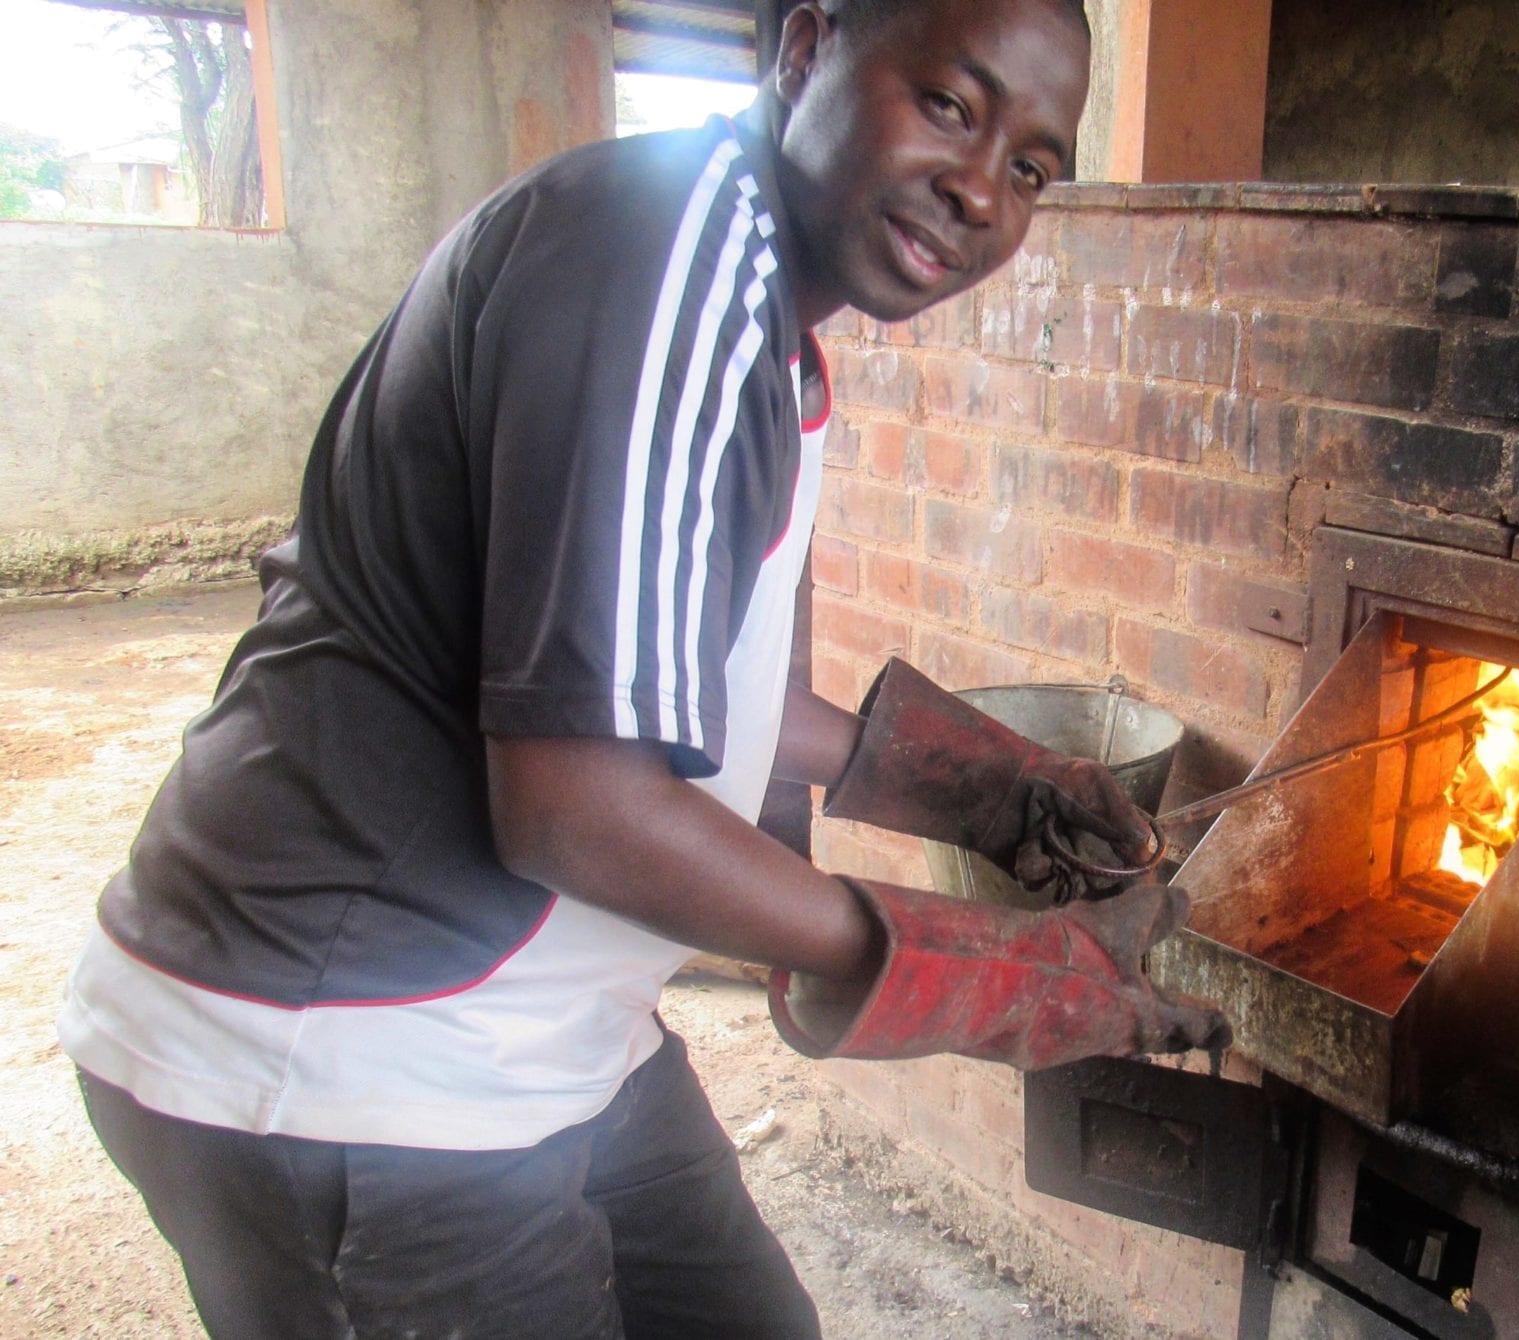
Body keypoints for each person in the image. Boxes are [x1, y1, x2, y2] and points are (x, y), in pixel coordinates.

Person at [58, 1, 1227, 1336]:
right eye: (950, 105)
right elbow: (580, 804)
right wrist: (1004, 973)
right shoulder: (661, 259)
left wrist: (985, 793)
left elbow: (675, 681)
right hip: (346, 1053)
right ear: (805, 54)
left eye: (1029, 167)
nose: (978, 189)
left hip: (545, 1033)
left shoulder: (765, 333)